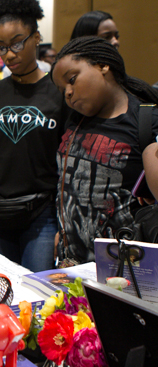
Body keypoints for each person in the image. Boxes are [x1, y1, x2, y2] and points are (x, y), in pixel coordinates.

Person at [0, 0, 67, 272]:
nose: (9, 54)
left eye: (17, 43)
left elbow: (68, 164)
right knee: (6, 290)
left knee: (36, 291)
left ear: (37, 38)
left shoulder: (58, 95)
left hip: (41, 215)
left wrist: (65, 224)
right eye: (1, 46)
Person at [51, 36, 158, 264]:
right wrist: (64, 230)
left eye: (72, 79)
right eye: (62, 89)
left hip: (122, 268)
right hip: (72, 263)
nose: (68, 93)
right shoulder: (74, 121)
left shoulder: (146, 120)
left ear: (102, 65)